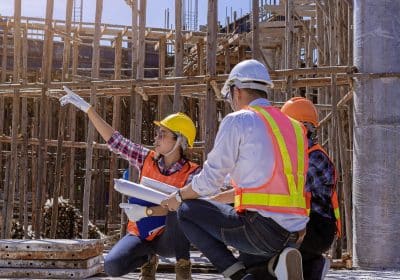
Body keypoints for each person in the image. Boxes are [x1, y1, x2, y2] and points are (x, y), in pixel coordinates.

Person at [161, 59, 310, 280]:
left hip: (261, 232)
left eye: (230, 95)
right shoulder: (295, 127)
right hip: (296, 232)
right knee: (251, 255)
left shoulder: (238, 120)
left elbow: (209, 180)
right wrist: (218, 197)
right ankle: (271, 268)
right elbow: (265, 179)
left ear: (237, 91)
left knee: (187, 211)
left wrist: (179, 196)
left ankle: (239, 276)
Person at [59, 87, 201, 280]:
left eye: (162, 134)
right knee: (113, 266)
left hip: (169, 240)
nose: (156, 138)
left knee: (183, 207)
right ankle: (148, 259)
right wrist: (89, 110)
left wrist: (148, 211)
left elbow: (188, 209)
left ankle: (183, 268)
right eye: (157, 133)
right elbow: (116, 141)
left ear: (179, 141)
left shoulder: (193, 172)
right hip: (141, 233)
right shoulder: (146, 158)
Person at [281, 97, 341, 280]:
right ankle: (313, 265)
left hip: (316, 229)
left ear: (301, 129)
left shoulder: (313, 158)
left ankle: (312, 263)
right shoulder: (299, 157)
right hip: (307, 226)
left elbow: (288, 189)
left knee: (263, 251)